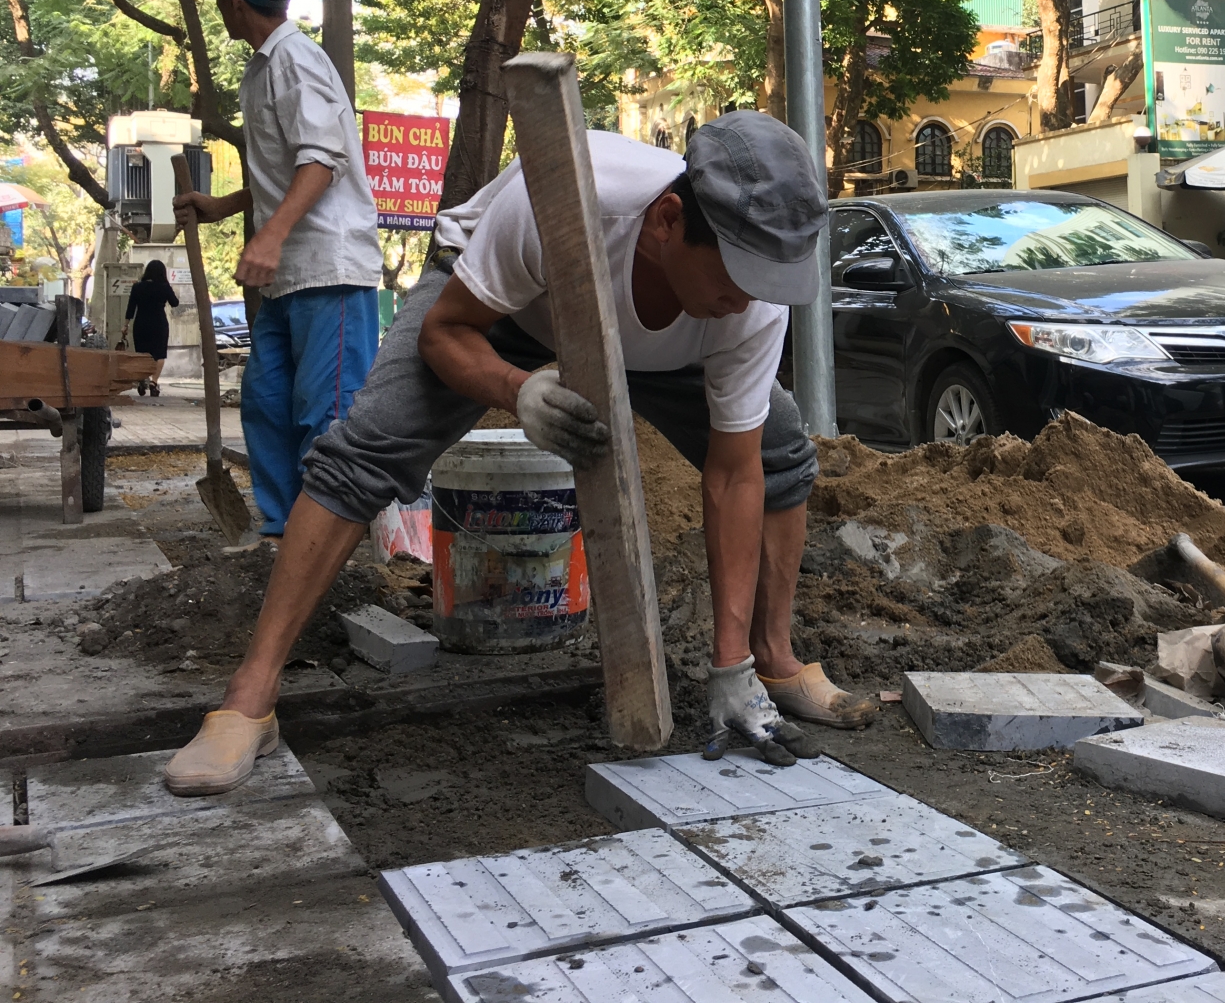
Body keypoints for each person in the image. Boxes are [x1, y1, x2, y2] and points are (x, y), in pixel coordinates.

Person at [161, 114, 878, 796]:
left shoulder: (748, 297)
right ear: (667, 223)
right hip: (499, 308)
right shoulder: (564, 201)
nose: (750, 298)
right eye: (736, 276)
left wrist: (727, 664)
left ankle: (769, 664)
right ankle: (248, 701)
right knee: (363, 454)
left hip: (666, 342)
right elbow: (447, 334)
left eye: (766, 282)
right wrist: (517, 391)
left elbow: (735, 473)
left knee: (782, 459)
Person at [172, 0, 383, 539]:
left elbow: (321, 160)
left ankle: (333, 541)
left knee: (328, 413)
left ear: (234, 2)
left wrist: (268, 235)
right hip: (287, 271)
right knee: (265, 401)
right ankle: (284, 532)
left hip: (329, 268)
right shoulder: (262, 67)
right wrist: (227, 206)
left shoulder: (295, 61)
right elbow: (289, 168)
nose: (218, 6)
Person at [124, 259, 179, 396]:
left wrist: (125, 325)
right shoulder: (164, 287)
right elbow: (175, 303)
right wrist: (167, 289)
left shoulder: (137, 287)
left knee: (142, 353)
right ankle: (154, 382)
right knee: (159, 354)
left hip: (141, 324)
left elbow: (131, 308)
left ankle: (144, 379)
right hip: (159, 324)